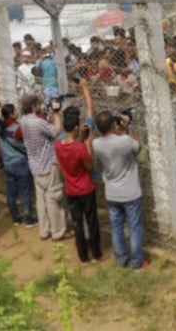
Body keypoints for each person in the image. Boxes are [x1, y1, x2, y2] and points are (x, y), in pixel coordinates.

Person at [92, 108, 148, 269]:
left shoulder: (96, 144)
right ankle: (137, 262)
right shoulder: (124, 141)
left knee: (116, 228)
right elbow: (138, 147)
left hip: (112, 193)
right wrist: (126, 128)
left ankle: (121, 259)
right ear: (112, 125)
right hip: (130, 192)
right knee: (134, 228)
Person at [55, 105, 102, 264]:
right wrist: (86, 143)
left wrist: (80, 139)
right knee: (91, 221)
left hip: (71, 188)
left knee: (77, 223)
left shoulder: (58, 145)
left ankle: (83, 257)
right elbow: (89, 166)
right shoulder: (80, 148)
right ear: (76, 127)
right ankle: (96, 253)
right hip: (85, 188)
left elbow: (64, 162)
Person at [19, 93, 68, 240]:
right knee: (52, 198)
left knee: (41, 199)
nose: (41, 106)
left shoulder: (24, 120)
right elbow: (56, 130)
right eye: (39, 104)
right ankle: (57, 231)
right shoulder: (38, 123)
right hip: (47, 164)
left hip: (35, 165)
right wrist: (57, 113)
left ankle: (44, 230)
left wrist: (49, 113)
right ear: (34, 106)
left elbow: (43, 128)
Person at [0, 103, 36, 227]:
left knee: (11, 193)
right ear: (10, 115)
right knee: (25, 191)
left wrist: (0, 161)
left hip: (8, 164)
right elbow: (25, 146)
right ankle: (28, 219)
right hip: (20, 163)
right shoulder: (16, 129)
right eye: (15, 111)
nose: (17, 113)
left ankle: (15, 218)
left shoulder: (0, 130)